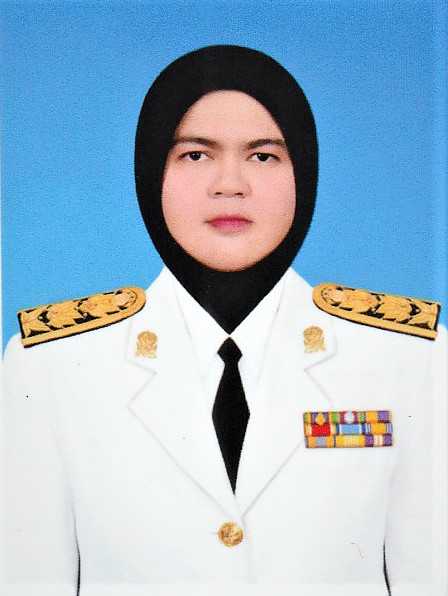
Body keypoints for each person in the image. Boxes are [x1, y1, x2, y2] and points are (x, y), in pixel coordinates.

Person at [2, 45, 445, 596]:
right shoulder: (50, 366)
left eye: (263, 156)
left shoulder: (409, 359)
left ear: (303, 173)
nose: (230, 184)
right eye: (195, 155)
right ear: (151, 172)